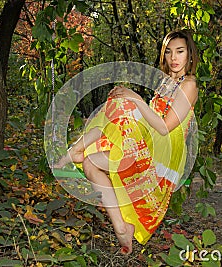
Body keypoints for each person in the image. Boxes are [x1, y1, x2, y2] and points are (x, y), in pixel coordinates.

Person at [54, 28, 199, 255]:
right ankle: (122, 228)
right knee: (91, 162)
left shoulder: (188, 85)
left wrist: (136, 100)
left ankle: (74, 149)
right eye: (169, 52)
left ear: (190, 54)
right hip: (150, 138)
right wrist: (130, 100)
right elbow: (148, 119)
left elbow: (164, 127)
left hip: (165, 148)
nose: (173, 58)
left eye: (180, 52)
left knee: (125, 103)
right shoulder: (166, 83)